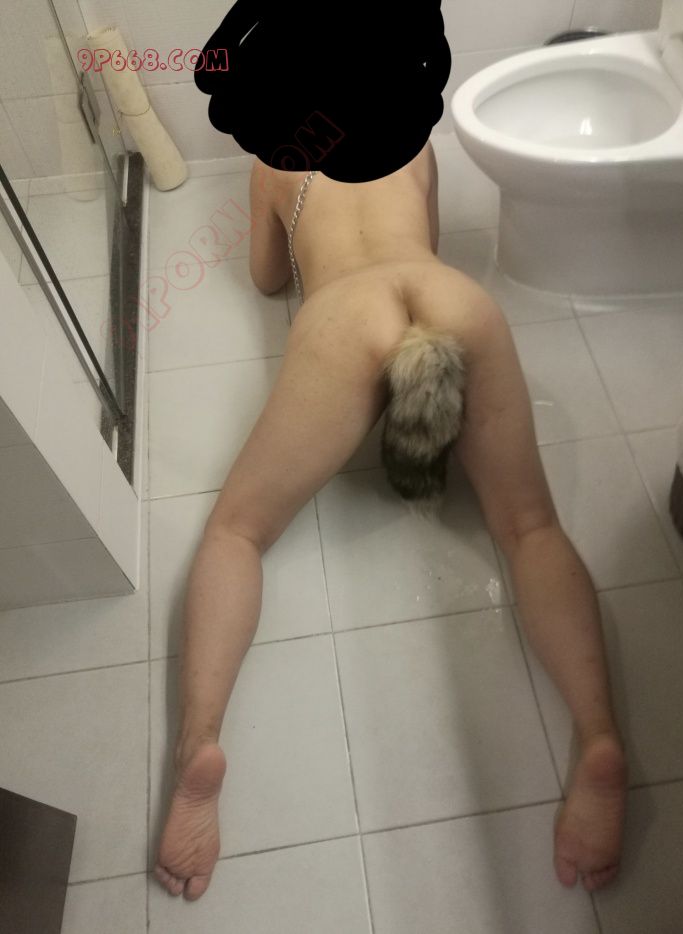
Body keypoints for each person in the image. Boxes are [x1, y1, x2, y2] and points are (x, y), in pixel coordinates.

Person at [154, 140, 628, 901]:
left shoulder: (274, 158)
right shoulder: (413, 139)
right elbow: (424, 240)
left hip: (345, 315)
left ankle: (198, 748)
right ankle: (600, 737)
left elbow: (267, 280)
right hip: (449, 298)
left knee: (237, 531)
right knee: (531, 528)